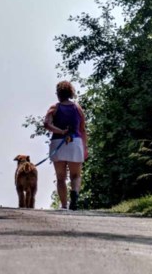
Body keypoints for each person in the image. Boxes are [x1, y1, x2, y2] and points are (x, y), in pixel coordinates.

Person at [43, 80, 88, 210]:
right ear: (71, 93)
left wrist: (60, 131)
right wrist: (85, 147)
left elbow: (46, 124)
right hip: (75, 142)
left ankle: (64, 205)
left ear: (58, 94)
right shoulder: (77, 108)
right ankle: (75, 194)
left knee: (60, 177)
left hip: (58, 143)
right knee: (76, 175)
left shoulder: (54, 108)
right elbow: (83, 129)